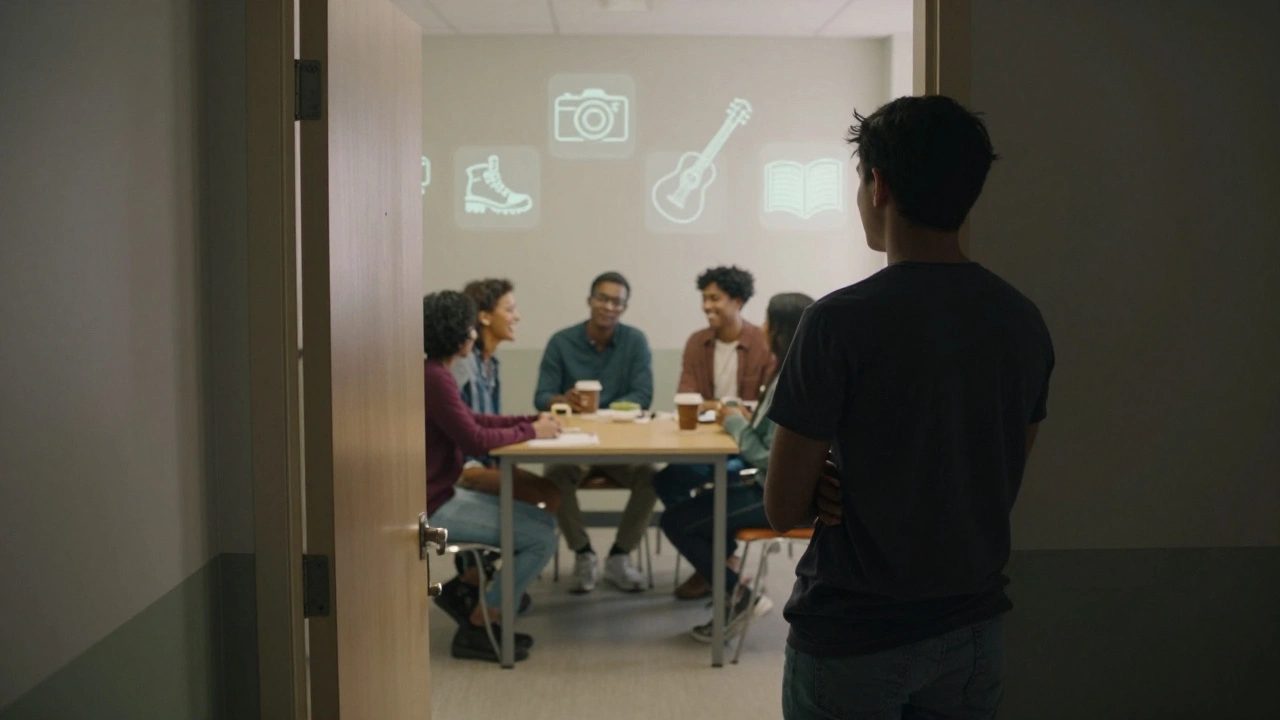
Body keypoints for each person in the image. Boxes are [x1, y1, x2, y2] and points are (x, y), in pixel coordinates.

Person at [763, 96, 1054, 719]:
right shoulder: (1021, 319)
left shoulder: (836, 322)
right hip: (974, 630)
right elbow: (995, 475)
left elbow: (782, 507)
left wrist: (822, 487)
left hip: (855, 633)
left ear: (878, 185)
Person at [659, 292, 814, 639]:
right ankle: (730, 586)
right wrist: (747, 421)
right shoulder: (794, 370)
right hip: (770, 484)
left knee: (677, 521)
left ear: (781, 330)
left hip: (774, 493)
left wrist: (734, 421)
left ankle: (741, 597)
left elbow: (767, 456)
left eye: (769, 320)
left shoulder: (789, 379)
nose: (763, 326)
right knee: (685, 499)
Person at [423, 290, 563, 663]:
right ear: (459, 334)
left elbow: (474, 420)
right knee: (540, 539)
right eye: (470, 328)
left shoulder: (437, 374)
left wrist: (529, 421)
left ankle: (474, 599)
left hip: (442, 494)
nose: (473, 334)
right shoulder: (435, 378)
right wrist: (532, 431)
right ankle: (482, 621)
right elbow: (474, 439)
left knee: (545, 522)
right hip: (434, 505)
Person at [534, 271, 657, 593]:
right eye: (602, 298)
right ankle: (583, 552)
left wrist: (608, 412)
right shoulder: (561, 342)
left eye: (617, 302)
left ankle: (620, 555)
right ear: (590, 300)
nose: (608, 307)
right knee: (555, 475)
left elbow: (643, 395)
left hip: (623, 446)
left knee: (652, 477)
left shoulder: (635, 341)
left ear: (624, 307)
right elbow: (542, 396)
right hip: (574, 444)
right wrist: (564, 400)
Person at [660, 265, 777, 599]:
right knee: (667, 480)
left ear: (737, 301)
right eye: (704, 298)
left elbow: (760, 411)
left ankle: (712, 562)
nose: (706, 306)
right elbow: (687, 396)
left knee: (717, 486)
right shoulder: (697, 342)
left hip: (746, 451)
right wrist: (726, 409)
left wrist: (721, 409)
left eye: (715, 298)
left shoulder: (763, 343)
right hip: (711, 441)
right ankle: (715, 556)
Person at [448, 278, 559, 614]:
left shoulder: (490, 364)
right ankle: (476, 578)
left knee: (550, 493)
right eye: (509, 309)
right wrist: (530, 429)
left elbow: (489, 421)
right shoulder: (463, 366)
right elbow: (470, 431)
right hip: (462, 469)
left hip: (484, 460)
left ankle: (478, 575)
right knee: (541, 499)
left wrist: (529, 423)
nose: (517, 316)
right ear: (484, 317)